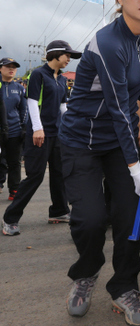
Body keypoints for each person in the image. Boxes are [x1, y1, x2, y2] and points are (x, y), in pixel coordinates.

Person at [59, 0, 140, 325]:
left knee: (130, 218)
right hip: (83, 141)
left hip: (119, 142)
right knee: (90, 220)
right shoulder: (107, 42)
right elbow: (121, 108)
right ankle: (86, 273)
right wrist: (135, 165)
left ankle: (124, 287)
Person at [2, 41, 75, 236]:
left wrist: (68, 128)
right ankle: (10, 218)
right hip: (39, 134)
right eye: (67, 55)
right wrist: (37, 129)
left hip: (57, 134)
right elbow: (32, 102)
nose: (69, 59)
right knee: (35, 176)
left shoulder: (61, 79)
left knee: (59, 173)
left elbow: (63, 107)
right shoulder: (38, 74)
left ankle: (59, 211)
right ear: (56, 54)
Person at [0, 58, 26, 200]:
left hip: (15, 130)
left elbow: (24, 110)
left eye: (14, 67)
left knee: (14, 161)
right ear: (0, 68)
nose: (11, 69)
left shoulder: (20, 88)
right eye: (7, 67)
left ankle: (14, 189)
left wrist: (24, 127)